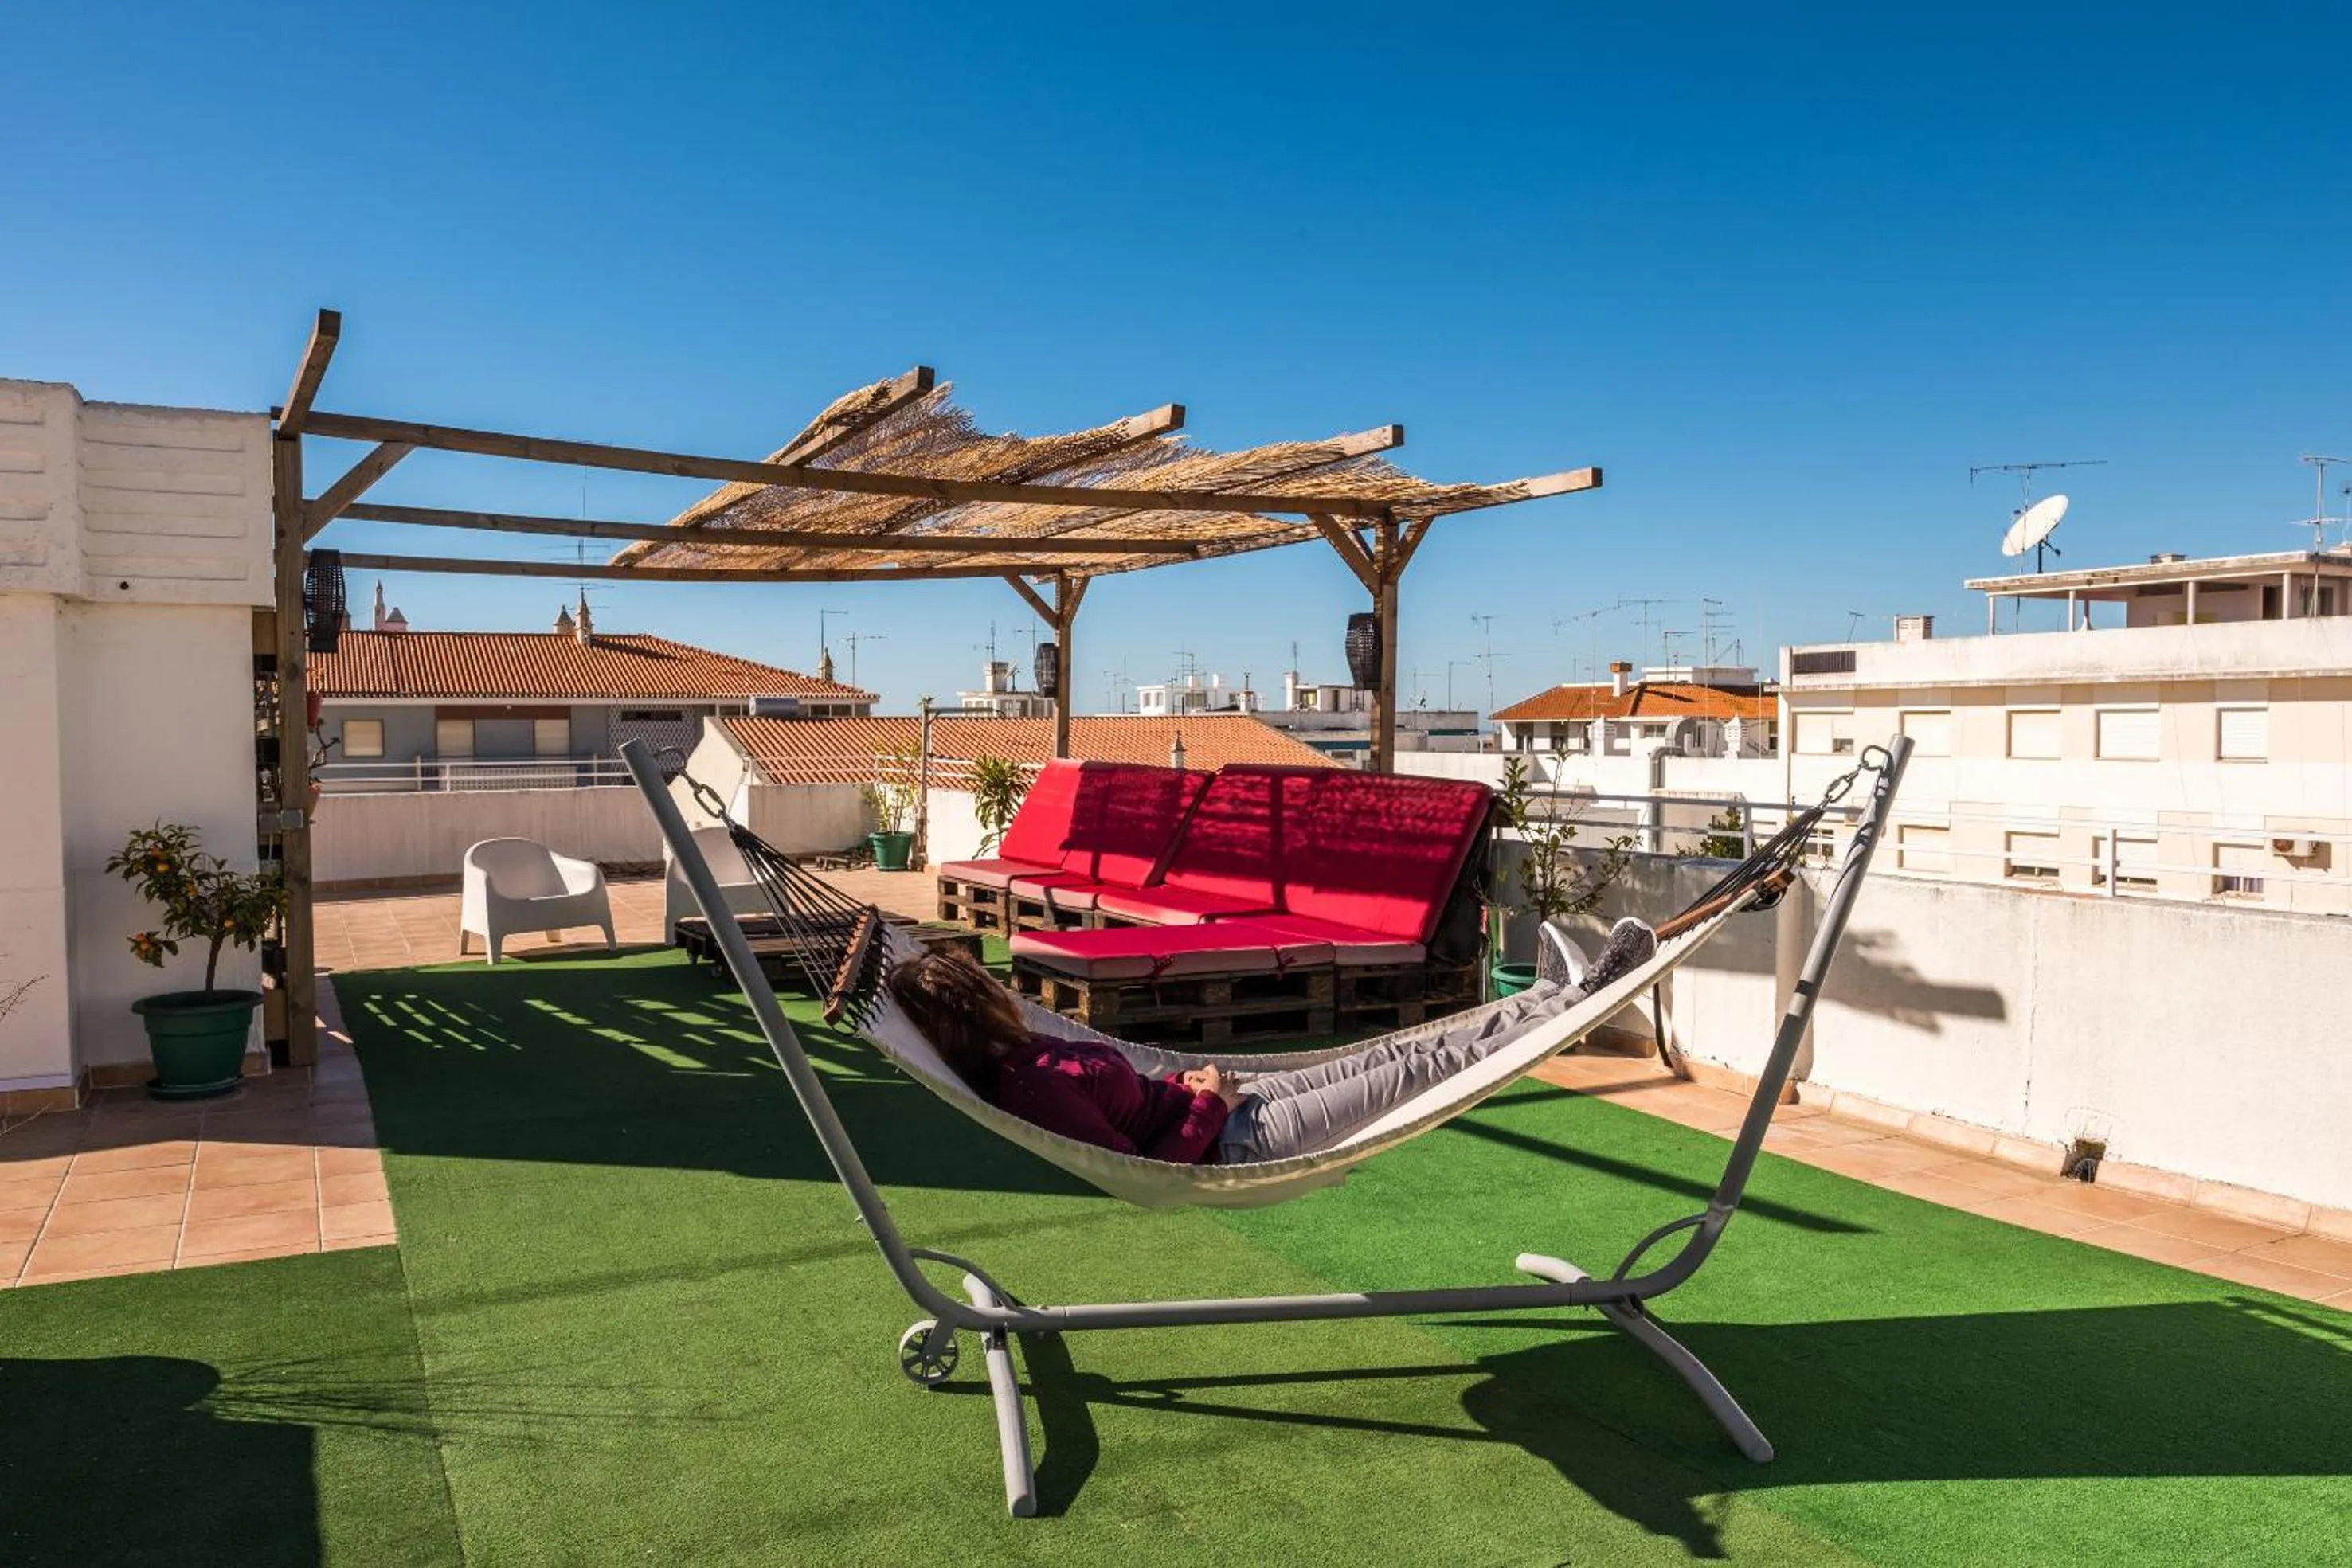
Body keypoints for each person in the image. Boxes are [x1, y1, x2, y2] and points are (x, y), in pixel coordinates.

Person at [881, 918, 1658, 1166]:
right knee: (1429, 1064)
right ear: (977, 1009)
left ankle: (1549, 997)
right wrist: (1208, 1105)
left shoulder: (1023, 1058)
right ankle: (1577, 1002)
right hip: (1232, 1140)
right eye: (986, 989)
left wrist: (1189, 1092)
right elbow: (1142, 1163)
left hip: (1219, 1106)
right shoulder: (1029, 1085)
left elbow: (1129, 1116)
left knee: (1395, 1050)